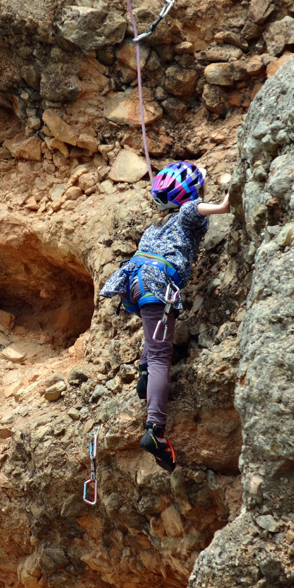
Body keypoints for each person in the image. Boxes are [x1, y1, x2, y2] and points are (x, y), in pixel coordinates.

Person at [100, 161, 230, 472]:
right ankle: (155, 431)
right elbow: (205, 209)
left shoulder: (154, 229)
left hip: (134, 281)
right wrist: (229, 196)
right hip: (158, 282)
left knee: (152, 340)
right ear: (191, 194)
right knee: (161, 355)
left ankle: (145, 376)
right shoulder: (187, 216)